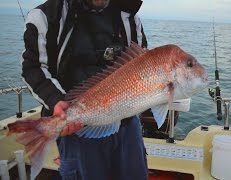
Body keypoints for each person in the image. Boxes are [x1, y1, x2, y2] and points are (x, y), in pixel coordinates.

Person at [21, 0, 148, 179]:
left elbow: (142, 63)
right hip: (78, 130)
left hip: (126, 123)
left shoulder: (129, 16)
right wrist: (56, 100)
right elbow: (33, 67)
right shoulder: (46, 17)